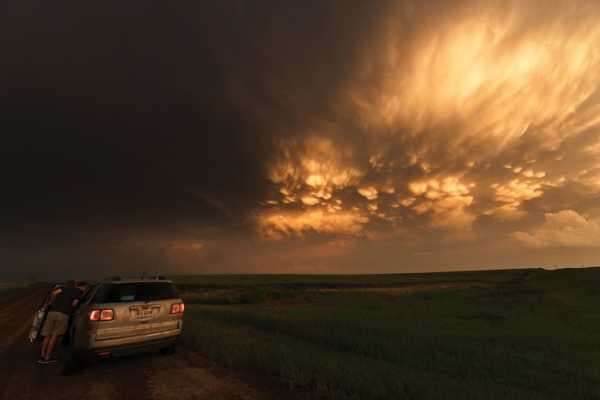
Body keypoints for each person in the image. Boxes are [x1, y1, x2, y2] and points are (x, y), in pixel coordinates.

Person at [38, 280, 82, 364]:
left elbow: (53, 294)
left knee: (47, 335)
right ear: (75, 285)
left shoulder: (61, 288)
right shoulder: (77, 291)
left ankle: (42, 356)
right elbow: (74, 304)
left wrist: (51, 302)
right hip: (63, 314)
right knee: (54, 336)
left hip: (52, 312)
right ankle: (48, 357)